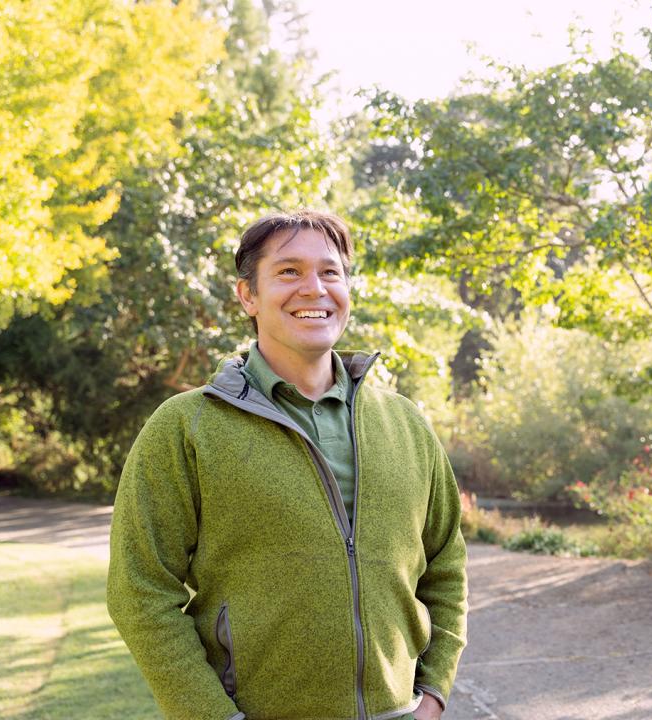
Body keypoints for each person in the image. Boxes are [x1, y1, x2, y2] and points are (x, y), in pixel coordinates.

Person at [107, 209, 467, 720]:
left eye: (330, 272)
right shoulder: (186, 426)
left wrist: (433, 693)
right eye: (289, 271)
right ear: (247, 295)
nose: (314, 289)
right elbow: (140, 591)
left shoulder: (405, 422)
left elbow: (446, 565)